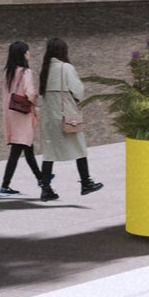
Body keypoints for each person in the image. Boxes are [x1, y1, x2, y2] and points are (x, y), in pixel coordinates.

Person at [35, 38, 102, 200]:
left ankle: (45, 189)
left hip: (50, 119)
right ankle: (86, 183)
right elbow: (78, 90)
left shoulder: (45, 70)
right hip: (67, 117)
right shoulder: (66, 68)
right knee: (79, 147)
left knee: (49, 154)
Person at [0, 41, 44, 196]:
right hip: (23, 116)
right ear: (23, 54)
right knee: (18, 150)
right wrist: (36, 99)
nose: (29, 54)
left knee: (27, 148)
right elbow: (30, 93)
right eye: (27, 52)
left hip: (12, 116)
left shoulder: (7, 73)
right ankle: (5, 186)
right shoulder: (26, 72)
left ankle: (41, 179)